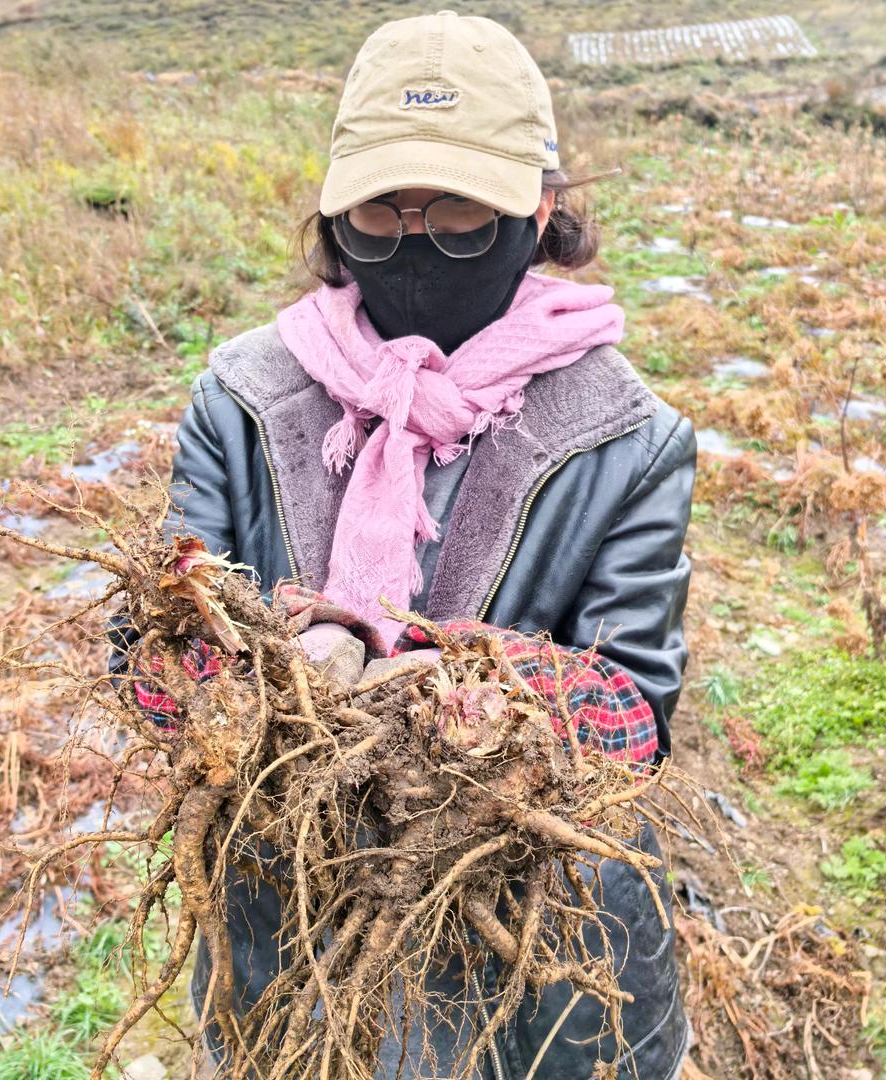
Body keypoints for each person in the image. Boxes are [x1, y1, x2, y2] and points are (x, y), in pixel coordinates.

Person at [113, 10, 696, 1078]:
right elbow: (151, 665)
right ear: (337, 212)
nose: (417, 237)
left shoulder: (630, 436)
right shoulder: (244, 395)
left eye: (461, 208)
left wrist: (473, 686)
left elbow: (634, 716)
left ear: (540, 206)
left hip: (538, 949)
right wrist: (262, 660)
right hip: (283, 914)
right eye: (383, 208)